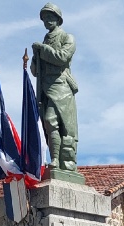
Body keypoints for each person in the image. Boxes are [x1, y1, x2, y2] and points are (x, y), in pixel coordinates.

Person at [30, 3, 79, 173]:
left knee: (58, 123)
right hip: (45, 88)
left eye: (50, 17)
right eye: (44, 18)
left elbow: (62, 57)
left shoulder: (67, 38)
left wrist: (42, 50)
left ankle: (61, 160)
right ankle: (55, 160)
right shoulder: (44, 41)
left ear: (58, 19)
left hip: (61, 87)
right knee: (48, 124)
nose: (47, 21)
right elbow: (35, 72)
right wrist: (35, 58)